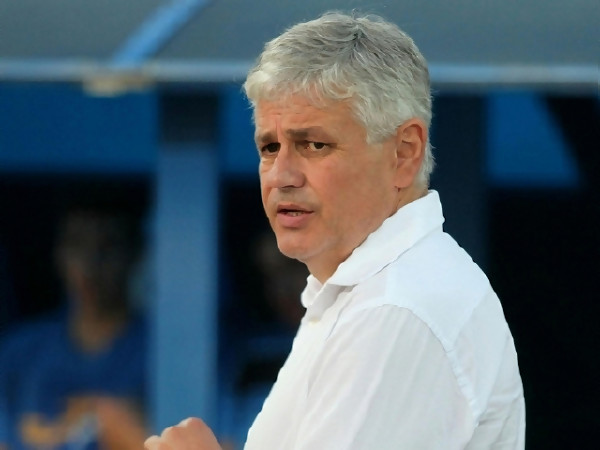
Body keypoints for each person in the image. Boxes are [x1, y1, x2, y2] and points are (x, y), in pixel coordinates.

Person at [145, 11, 525, 449]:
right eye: (269, 147)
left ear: (405, 152)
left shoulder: (396, 308)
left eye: (314, 144)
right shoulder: (373, 291)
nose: (281, 175)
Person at [0, 202, 148, 449]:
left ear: (136, 252)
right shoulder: (20, 352)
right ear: (58, 252)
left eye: (109, 245)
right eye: (77, 244)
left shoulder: (159, 353)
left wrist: (118, 423)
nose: (91, 264)